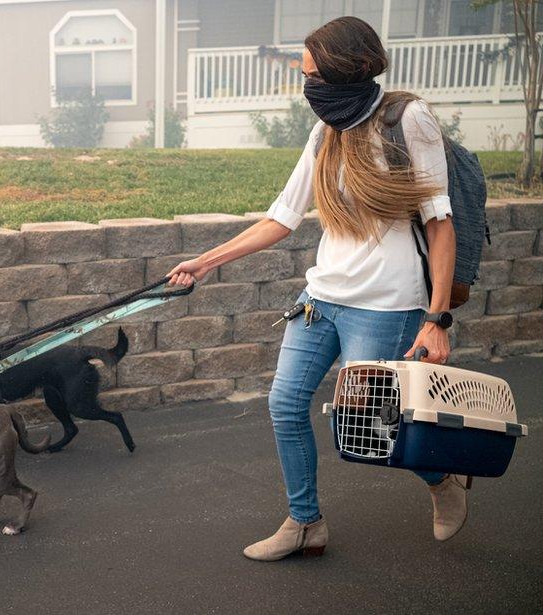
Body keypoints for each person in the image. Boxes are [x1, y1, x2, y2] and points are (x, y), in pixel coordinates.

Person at [168, 16, 470, 561]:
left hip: (385, 304)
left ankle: (442, 477)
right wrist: (206, 261)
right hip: (321, 300)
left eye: (312, 73)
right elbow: (281, 219)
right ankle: (306, 523)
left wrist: (437, 317)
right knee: (285, 404)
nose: (306, 84)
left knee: (374, 431)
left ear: (346, 70)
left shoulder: (408, 119)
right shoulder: (326, 130)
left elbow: (440, 223)